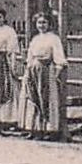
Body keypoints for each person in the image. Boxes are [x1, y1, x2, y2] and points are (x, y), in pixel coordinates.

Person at [20, 12, 69, 140]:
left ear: (49, 24)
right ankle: (34, 128)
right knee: (32, 98)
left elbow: (59, 57)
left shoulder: (53, 38)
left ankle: (48, 130)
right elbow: (30, 57)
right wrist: (27, 71)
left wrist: (57, 72)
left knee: (46, 99)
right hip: (33, 70)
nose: (41, 25)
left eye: (44, 22)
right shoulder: (35, 39)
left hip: (46, 71)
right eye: (39, 23)